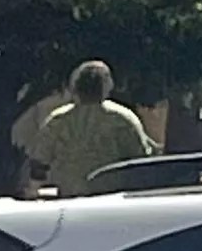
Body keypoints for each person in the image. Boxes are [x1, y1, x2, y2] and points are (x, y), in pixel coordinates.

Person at [27, 61, 155, 195]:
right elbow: (140, 163)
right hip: (111, 200)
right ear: (107, 86)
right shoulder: (122, 119)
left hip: (71, 199)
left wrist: (33, 193)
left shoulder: (58, 120)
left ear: (75, 87)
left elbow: (39, 165)